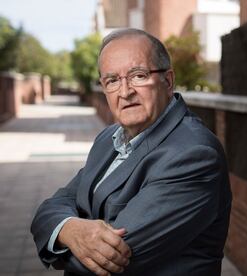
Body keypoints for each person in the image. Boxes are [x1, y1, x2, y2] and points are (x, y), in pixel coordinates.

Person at [30, 28, 232, 276]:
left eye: (138, 75)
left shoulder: (194, 154)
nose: (125, 92)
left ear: (167, 81)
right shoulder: (109, 138)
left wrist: (59, 237)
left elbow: (103, 262)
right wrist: (69, 229)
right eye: (112, 80)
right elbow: (53, 206)